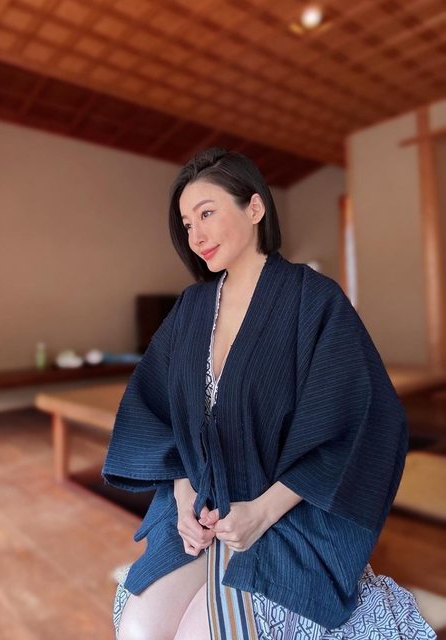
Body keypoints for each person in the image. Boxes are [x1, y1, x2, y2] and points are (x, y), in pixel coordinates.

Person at [102, 148, 436, 640]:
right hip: (204, 515)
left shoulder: (314, 300)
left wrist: (262, 510)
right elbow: (151, 409)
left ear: (255, 207)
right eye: (187, 223)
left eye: (207, 213)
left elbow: (361, 421)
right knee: (139, 630)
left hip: (290, 518)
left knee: (201, 633)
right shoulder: (191, 307)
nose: (195, 236)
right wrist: (183, 493)